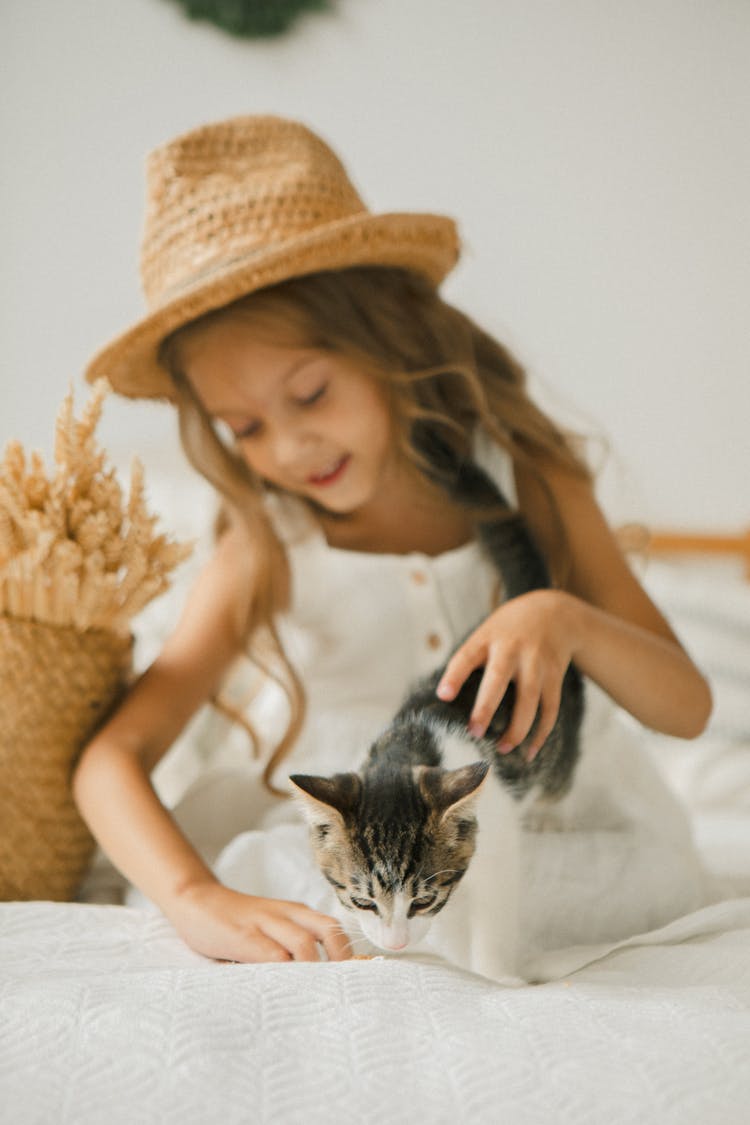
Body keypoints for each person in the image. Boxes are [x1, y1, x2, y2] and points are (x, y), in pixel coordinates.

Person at [73, 114, 712, 966]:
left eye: (310, 393)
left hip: (539, 825)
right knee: (275, 873)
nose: (289, 449)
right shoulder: (270, 539)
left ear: (388, 339)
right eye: (245, 426)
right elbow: (111, 756)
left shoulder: (529, 479)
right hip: (351, 849)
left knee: (637, 877)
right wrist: (194, 898)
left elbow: (690, 707)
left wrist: (566, 618)